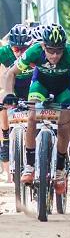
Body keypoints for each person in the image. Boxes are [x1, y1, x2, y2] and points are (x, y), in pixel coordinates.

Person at [2, 24, 70, 194]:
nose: (54, 55)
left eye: (58, 51)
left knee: (64, 122)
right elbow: (11, 73)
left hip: (64, 86)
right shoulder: (34, 51)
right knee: (32, 116)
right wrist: (10, 93)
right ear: (43, 46)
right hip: (40, 84)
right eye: (50, 50)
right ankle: (30, 166)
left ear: (64, 48)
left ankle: (60, 170)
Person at [0, 24, 33, 164]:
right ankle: (6, 139)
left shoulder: (35, 51)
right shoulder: (4, 52)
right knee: (3, 99)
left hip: (32, 85)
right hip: (14, 85)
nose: (19, 53)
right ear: (10, 46)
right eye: (16, 49)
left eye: (23, 49)